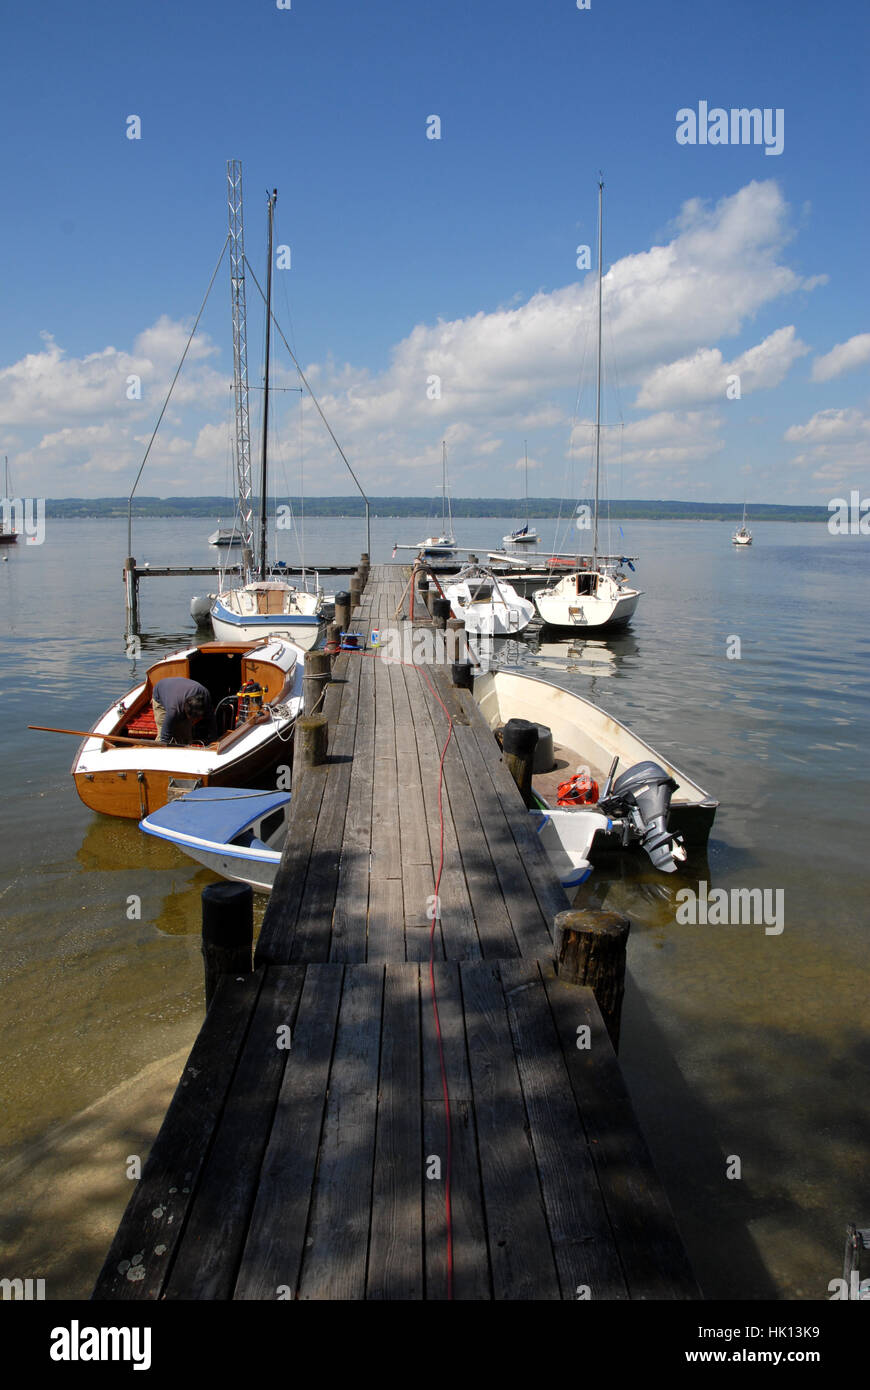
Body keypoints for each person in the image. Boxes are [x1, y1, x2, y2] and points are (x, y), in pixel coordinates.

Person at [151, 677, 217, 745]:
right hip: (160, 693)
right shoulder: (173, 710)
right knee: (164, 733)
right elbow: (165, 736)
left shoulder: (205, 698)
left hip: (178, 691)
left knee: (185, 734)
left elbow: (211, 720)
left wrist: (214, 740)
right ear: (185, 710)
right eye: (192, 720)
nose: (194, 723)